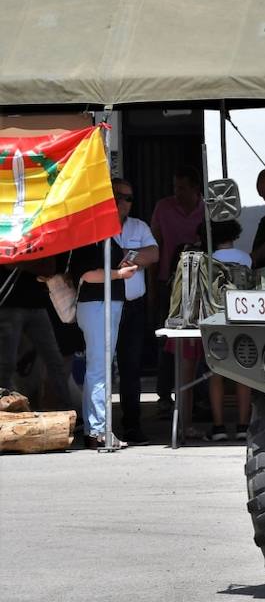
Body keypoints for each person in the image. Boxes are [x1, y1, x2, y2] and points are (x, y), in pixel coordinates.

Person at [68, 228, 147, 449]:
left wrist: (118, 271)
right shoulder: (88, 237)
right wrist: (118, 274)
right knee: (100, 369)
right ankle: (98, 431)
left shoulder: (105, 237)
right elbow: (85, 274)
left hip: (106, 304)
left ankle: (95, 430)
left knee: (99, 368)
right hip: (97, 304)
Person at [150, 167, 204, 416]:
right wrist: (152, 286)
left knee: (201, 341)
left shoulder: (207, 209)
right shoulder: (163, 207)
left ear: (195, 189)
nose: (177, 193)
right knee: (167, 341)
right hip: (168, 283)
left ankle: (199, 398)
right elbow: (155, 245)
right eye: (175, 188)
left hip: (200, 286)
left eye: (182, 188)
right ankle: (163, 395)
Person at [110, 178, 159, 444]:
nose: (125, 202)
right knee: (101, 368)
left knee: (131, 368)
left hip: (133, 306)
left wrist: (128, 256)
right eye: (121, 196)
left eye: (129, 198)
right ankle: (100, 426)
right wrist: (136, 258)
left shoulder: (139, 226)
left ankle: (132, 425)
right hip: (105, 305)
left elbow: (153, 254)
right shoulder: (98, 227)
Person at [0, 258, 75, 412]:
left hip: (37, 305)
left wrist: (24, 263)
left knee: (54, 360)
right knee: (6, 364)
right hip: (9, 305)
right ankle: (5, 411)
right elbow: (8, 262)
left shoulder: (38, 236)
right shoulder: (8, 236)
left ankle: (66, 411)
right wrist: (36, 264)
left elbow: (49, 267)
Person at [203, 219, 253, 441]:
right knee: (243, 373)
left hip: (216, 318)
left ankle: (219, 427)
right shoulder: (245, 258)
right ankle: (244, 425)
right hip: (242, 318)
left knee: (216, 373)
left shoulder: (209, 260)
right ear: (235, 234)